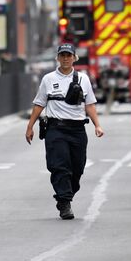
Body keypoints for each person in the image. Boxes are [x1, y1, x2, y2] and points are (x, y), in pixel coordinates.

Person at [25, 43, 104, 220]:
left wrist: (97, 125)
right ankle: (65, 202)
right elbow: (39, 104)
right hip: (56, 129)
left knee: (77, 168)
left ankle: (66, 195)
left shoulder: (83, 79)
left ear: (75, 58)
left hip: (77, 129)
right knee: (60, 166)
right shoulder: (48, 79)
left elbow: (89, 104)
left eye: (69, 55)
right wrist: (30, 127)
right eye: (63, 55)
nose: (66, 58)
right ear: (58, 58)